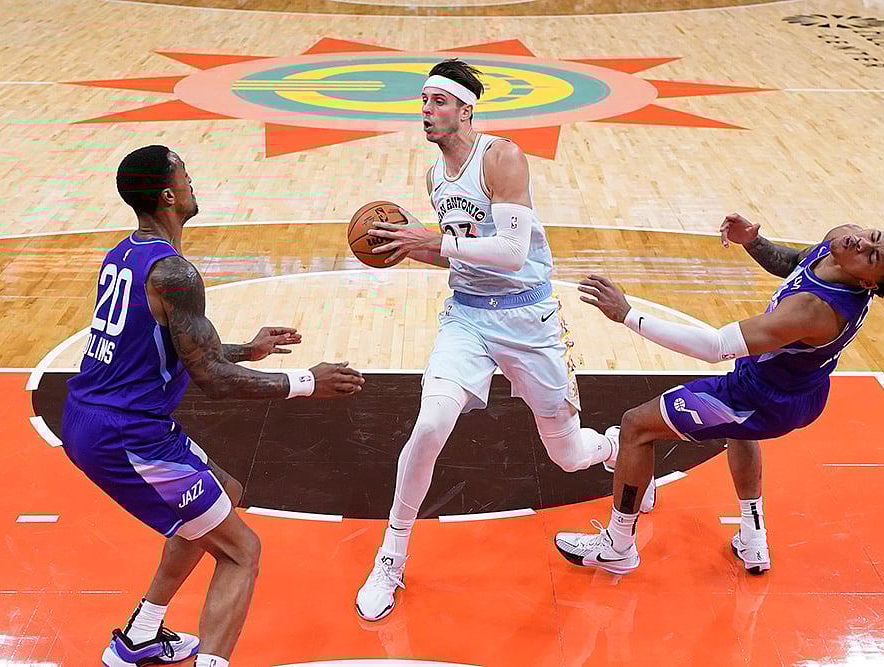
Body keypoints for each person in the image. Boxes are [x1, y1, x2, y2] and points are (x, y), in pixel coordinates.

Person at [354, 59, 652, 621]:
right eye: (423, 102)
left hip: (527, 321)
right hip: (466, 318)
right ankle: (391, 556)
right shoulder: (434, 176)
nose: (427, 112)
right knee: (430, 422)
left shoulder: (501, 157)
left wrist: (433, 241)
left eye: (439, 102)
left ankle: (619, 450)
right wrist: (409, 248)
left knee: (567, 456)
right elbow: (457, 249)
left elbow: (512, 254)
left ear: (467, 108)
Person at [61, 145, 365, 667]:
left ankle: (140, 635)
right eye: (184, 175)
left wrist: (250, 349)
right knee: (242, 552)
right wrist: (305, 382)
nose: (192, 182)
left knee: (224, 492)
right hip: (127, 435)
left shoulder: (124, 254)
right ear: (167, 195)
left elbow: (174, 348)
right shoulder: (175, 273)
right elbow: (213, 381)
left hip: (98, 416)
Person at [554, 213, 884, 576]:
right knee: (740, 431)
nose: (861, 243)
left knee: (637, 426)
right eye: (874, 236)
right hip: (802, 385)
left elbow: (716, 346)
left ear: (870, 284)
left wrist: (628, 315)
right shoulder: (842, 239)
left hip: (761, 397)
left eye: (872, 256)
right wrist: (753, 242)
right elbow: (795, 263)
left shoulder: (817, 311)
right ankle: (752, 534)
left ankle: (618, 546)